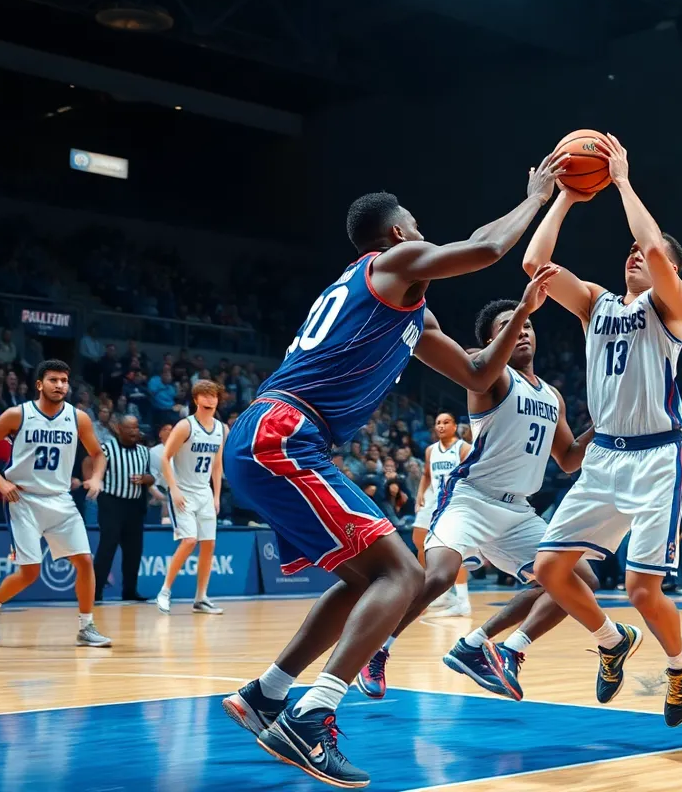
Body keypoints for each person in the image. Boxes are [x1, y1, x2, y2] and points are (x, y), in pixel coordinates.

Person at [219, 153, 569, 788]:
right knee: (403, 574)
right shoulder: (389, 265)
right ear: (397, 235)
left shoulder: (411, 311)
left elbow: (475, 373)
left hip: (281, 438)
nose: (424, 229)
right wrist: (538, 195)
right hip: (284, 432)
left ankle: (268, 695)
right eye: (416, 222)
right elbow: (488, 247)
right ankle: (312, 715)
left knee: (366, 578)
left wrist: (522, 313)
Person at [521, 134, 682, 728]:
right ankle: (610, 640)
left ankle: (680, 663)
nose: (635, 254)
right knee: (549, 569)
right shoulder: (597, 303)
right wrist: (566, 198)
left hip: (657, 458)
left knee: (642, 589)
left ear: (668, 270)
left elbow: (653, 244)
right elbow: (535, 265)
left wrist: (621, 180)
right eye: (626, 251)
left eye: (645, 254)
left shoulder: (671, 306)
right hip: (605, 459)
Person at [356, 297, 595, 703]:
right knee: (438, 576)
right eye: (509, 326)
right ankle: (375, 651)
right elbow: (480, 370)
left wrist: (603, 426)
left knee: (580, 581)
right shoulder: (491, 375)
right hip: (472, 499)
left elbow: (570, 459)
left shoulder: (553, 396)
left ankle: (495, 645)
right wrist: (521, 309)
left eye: (528, 326)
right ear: (491, 340)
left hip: (518, 510)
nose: (522, 331)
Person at [0, 360, 110, 647]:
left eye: (64, 380)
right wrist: (0, 482)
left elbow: (98, 454)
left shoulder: (78, 418)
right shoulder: (17, 414)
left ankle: (86, 626)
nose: (60, 385)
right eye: (53, 380)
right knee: (30, 572)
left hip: (61, 500)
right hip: (23, 499)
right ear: (40, 384)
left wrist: (97, 478)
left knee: (84, 561)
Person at [157, 381, 228, 615]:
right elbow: (164, 458)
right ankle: (165, 591)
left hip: (204, 494)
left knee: (209, 544)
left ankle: (201, 598)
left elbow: (217, 465)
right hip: (183, 492)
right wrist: (174, 489)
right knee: (189, 541)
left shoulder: (222, 429)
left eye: (213, 396)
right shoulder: (185, 426)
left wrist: (216, 496)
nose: (209, 400)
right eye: (204, 396)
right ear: (196, 400)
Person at [413, 412, 471, 616]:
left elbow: (472, 476)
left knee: (451, 549)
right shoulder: (430, 450)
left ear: (455, 426)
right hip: (433, 498)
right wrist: (420, 494)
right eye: (438, 422)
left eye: (446, 422)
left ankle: (463, 602)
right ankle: (438, 593)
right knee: (419, 539)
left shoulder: (463, 448)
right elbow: (427, 474)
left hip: (453, 501)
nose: (441, 426)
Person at [93, 415, 156, 602]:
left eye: (136, 428)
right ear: (119, 429)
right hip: (112, 504)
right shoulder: (106, 449)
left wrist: (145, 479)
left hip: (134, 507)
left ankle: (130, 591)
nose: (133, 432)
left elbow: (151, 477)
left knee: (134, 551)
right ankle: (95, 592)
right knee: (107, 547)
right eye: (129, 428)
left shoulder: (145, 452)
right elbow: (94, 471)